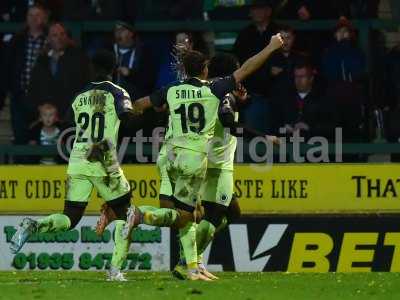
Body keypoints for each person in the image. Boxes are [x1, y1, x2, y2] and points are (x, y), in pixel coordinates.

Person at [120, 34, 284, 281]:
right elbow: (230, 119)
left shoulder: (173, 89)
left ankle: (192, 265)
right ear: (206, 69)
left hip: (176, 156)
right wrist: (271, 47)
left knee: (208, 214)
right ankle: (144, 218)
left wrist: (120, 115)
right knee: (192, 216)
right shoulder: (217, 91)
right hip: (208, 162)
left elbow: (141, 104)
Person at [10, 50, 144, 282]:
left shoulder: (79, 96)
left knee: (70, 216)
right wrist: (145, 112)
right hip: (102, 159)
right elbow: (128, 119)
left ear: (93, 69)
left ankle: (33, 226)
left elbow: (75, 123)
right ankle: (115, 270)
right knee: (126, 212)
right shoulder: (117, 91)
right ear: (113, 69)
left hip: (78, 158)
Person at [3, 4, 48, 145]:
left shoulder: (50, 39)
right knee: (20, 138)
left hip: (44, 99)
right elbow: (7, 68)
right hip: (20, 97)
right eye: (31, 15)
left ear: (44, 18)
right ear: (26, 18)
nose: (34, 19)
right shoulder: (17, 40)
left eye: (38, 15)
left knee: (42, 139)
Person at [233, 0, 280, 134]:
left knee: (279, 138)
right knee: (256, 139)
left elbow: (281, 61)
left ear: (269, 11)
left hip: (278, 95)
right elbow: (239, 63)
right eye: (254, 9)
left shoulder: (277, 32)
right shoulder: (245, 35)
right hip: (253, 95)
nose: (257, 12)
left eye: (261, 8)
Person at [28, 22, 91, 118]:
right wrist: (40, 107)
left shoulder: (79, 58)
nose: (59, 38)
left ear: (67, 37)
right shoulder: (42, 60)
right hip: (47, 117)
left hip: (71, 114)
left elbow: (86, 85)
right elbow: (34, 87)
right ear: (48, 38)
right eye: (55, 35)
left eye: (62, 34)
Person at [279, 62, 334, 140]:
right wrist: (284, 129)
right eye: (296, 77)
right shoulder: (285, 99)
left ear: (311, 78)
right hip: (288, 146)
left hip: (316, 146)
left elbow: (332, 127)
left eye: (302, 77)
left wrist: (309, 128)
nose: (298, 80)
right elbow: (274, 124)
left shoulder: (323, 99)